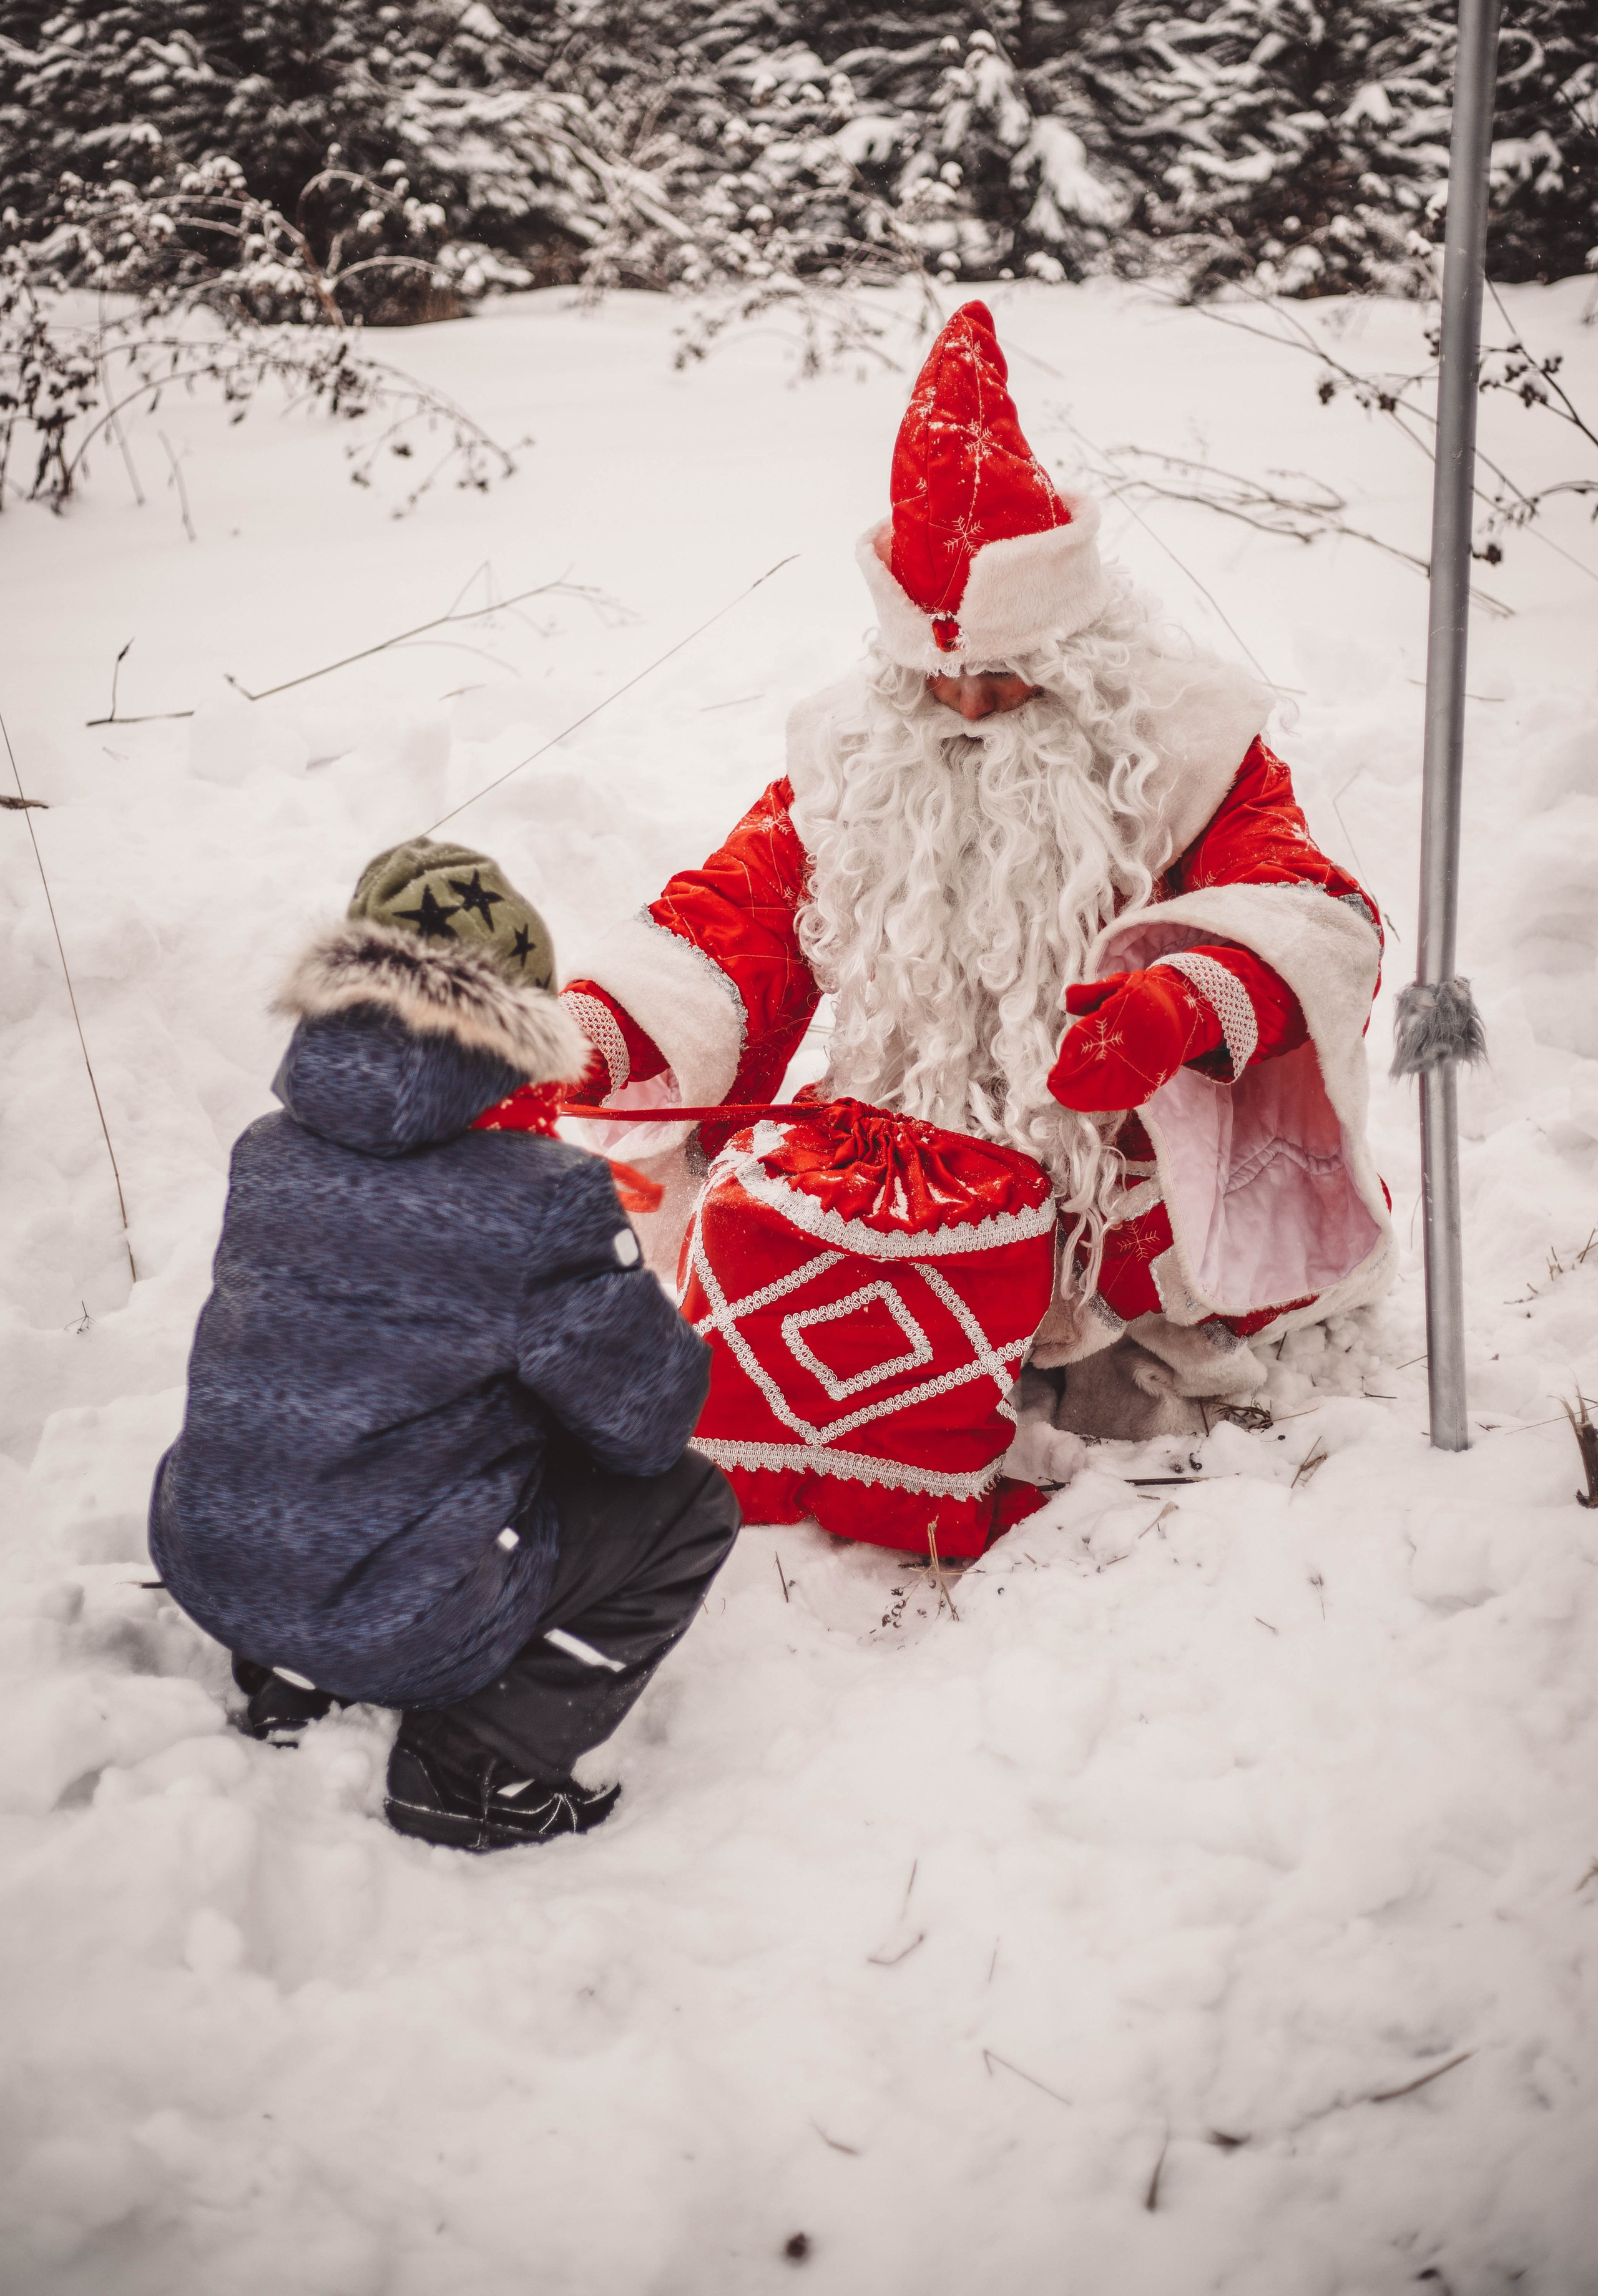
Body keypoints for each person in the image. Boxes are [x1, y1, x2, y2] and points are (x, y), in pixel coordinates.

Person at [560, 301, 1392, 1559]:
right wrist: (597, 1031)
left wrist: (1187, 1001)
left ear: (1077, 635)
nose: (965, 702)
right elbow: (739, 912)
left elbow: (1309, 910)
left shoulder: (1184, 743)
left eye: (1005, 675)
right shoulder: (852, 746)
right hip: (906, 1172)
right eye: (935, 677)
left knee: (1147, 1372)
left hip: (1116, 1192)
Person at [149, 837, 738, 1854]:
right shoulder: (540, 1201)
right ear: (515, 1023)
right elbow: (648, 1423)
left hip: (218, 1567)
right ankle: (475, 1764)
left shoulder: (267, 1150)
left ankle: (288, 1676)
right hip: (390, 1616)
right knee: (690, 1506)